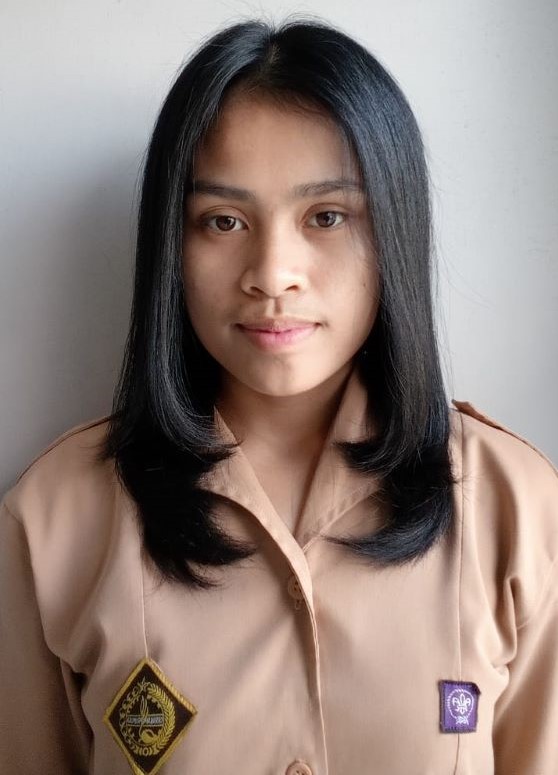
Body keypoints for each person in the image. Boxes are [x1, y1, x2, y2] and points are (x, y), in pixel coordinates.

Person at [1, 16, 556, 775]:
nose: (272, 273)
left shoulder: (515, 506)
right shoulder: (53, 519)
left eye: (326, 216)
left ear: (393, 231)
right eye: (223, 221)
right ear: (173, 243)